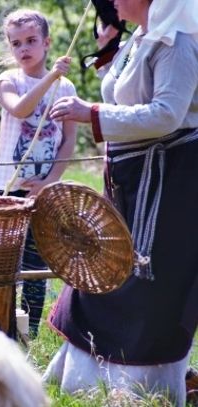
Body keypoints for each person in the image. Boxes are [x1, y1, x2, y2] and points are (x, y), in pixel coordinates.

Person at [46, 0, 198, 405]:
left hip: (170, 182)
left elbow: (168, 114)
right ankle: (89, 380)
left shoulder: (176, 41)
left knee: (148, 285)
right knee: (104, 270)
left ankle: (146, 390)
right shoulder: (140, 39)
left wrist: (90, 113)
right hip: (136, 177)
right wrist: (107, 51)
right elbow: (128, 95)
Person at [0, 9, 78, 337]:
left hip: (41, 189)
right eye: (16, 43)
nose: (23, 49)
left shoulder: (65, 85)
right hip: (7, 187)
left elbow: (68, 139)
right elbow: (21, 109)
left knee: (35, 265)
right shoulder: (8, 81)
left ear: (47, 43)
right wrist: (50, 78)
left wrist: (50, 181)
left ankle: (28, 335)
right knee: (3, 264)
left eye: (31, 41)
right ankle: (0, 328)